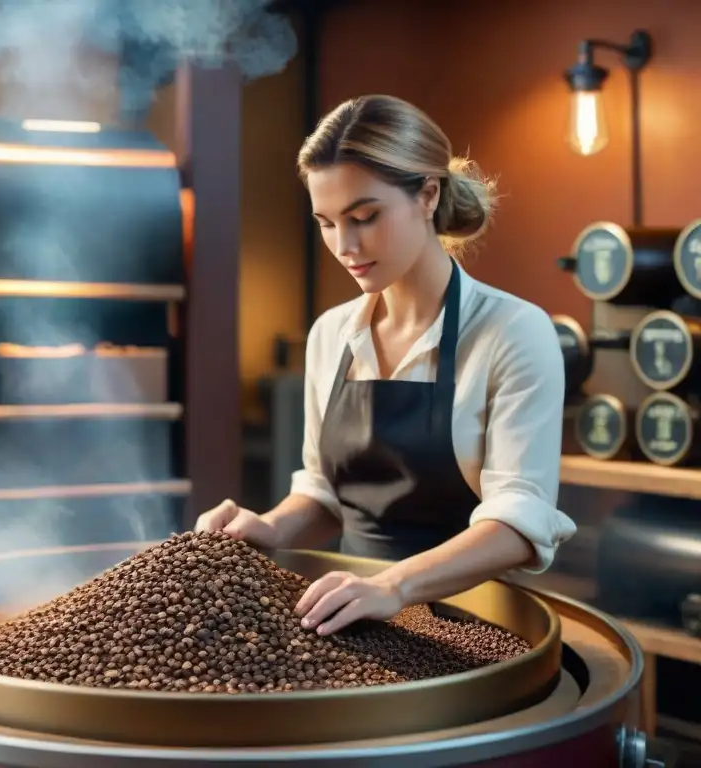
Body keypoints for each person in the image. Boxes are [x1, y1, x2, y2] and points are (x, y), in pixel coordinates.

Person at [196, 94, 577, 637]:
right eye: (326, 223)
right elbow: (326, 494)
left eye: (365, 217)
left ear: (427, 194)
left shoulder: (513, 332)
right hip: (353, 615)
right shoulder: (332, 333)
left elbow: (520, 522)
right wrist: (271, 528)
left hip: (474, 621)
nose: (345, 245)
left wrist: (394, 586)